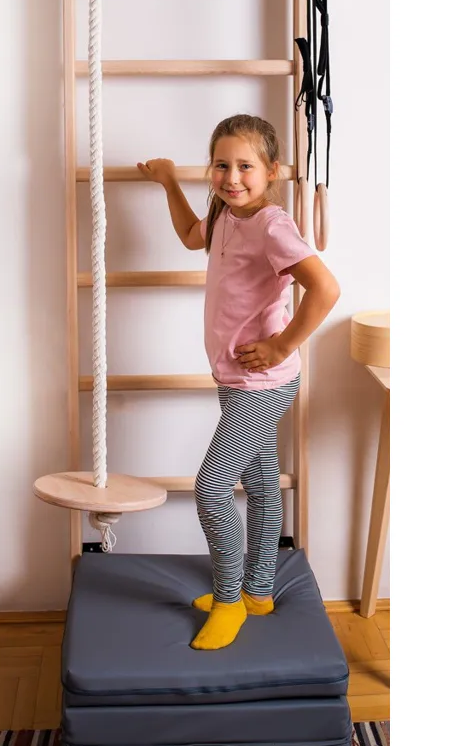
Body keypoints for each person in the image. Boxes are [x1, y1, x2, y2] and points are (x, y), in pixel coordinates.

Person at [137, 113, 341, 650]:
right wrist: (168, 181)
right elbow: (190, 236)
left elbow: (325, 289)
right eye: (221, 165)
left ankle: (229, 599)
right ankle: (259, 591)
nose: (232, 177)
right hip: (237, 379)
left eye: (246, 166)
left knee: (212, 487)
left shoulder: (272, 225)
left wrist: (281, 346)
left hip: (263, 383)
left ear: (271, 170)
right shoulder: (224, 214)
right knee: (262, 481)